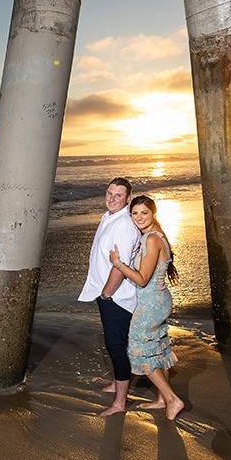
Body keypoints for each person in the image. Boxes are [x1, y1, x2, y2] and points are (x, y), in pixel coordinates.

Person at [109, 195, 184, 420]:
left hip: (151, 304)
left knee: (138, 351)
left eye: (144, 213)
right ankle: (162, 399)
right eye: (134, 213)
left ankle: (172, 399)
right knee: (157, 348)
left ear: (153, 214)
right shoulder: (156, 236)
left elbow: (141, 279)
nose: (139, 217)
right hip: (158, 301)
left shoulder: (151, 239)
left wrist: (118, 263)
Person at [78, 177, 142, 416]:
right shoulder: (109, 216)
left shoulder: (124, 224)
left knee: (117, 347)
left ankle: (120, 403)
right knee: (112, 343)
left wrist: (106, 294)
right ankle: (117, 382)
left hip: (116, 297)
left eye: (118, 195)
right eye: (109, 193)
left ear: (127, 199)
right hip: (106, 293)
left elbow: (120, 265)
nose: (112, 199)